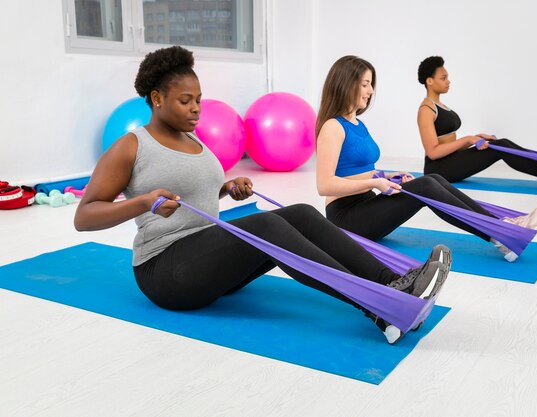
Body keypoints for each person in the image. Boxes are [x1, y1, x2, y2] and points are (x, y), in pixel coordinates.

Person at [73, 46, 451, 345]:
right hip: (165, 272)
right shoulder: (130, 146)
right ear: (156, 99)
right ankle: (380, 307)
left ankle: (392, 283)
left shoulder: (194, 141)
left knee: (301, 213)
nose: (196, 109)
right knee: (268, 226)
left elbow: (191, 195)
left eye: (199, 99)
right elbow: (84, 216)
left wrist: (225, 189)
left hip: (204, 257)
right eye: (185, 100)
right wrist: (142, 202)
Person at [315, 55, 537, 263]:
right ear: (346, 84)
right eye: (365, 84)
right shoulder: (332, 127)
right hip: (346, 219)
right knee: (425, 185)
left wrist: (384, 176)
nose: (371, 90)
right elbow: (324, 185)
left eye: (371, 84)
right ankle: (501, 234)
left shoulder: (358, 124)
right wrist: (375, 183)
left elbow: (356, 170)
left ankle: (500, 227)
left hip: (366, 204)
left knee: (434, 178)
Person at [416, 56, 537, 190]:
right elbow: (433, 152)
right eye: (443, 78)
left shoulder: (440, 106)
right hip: (438, 169)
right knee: (501, 147)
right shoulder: (426, 110)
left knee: (500, 144)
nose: (448, 81)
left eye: (447, 77)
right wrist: (468, 139)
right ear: (429, 81)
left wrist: (476, 138)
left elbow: (448, 145)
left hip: (450, 161)